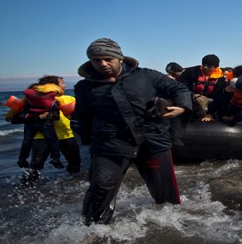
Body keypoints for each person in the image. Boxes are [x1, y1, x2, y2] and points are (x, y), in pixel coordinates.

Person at [74, 38, 192, 225]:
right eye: (97, 60)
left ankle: (171, 227)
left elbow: (179, 88)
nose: (102, 64)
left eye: (107, 59)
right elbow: (83, 115)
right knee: (100, 188)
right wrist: (87, 142)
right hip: (110, 144)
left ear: (119, 58)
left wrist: (182, 107)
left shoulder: (147, 76)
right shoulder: (84, 87)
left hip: (152, 140)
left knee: (166, 194)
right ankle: (91, 231)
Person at [5, 76, 65, 169]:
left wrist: (8, 116)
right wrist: (40, 117)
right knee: (53, 140)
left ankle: (22, 159)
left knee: (26, 141)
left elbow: (14, 117)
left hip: (30, 124)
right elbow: (56, 116)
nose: (64, 86)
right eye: (62, 83)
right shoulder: (53, 98)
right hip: (45, 124)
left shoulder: (28, 99)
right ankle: (55, 158)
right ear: (53, 85)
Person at [178, 54, 225, 120]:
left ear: (215, 67)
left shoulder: (221, 78)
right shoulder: (190, 72)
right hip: (191, 101)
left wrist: (210, 114)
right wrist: (192, 95)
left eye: (209, 66)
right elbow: (181, 88)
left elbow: (219, 97)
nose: (205, 67)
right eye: (204, 64)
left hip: (210, 104)